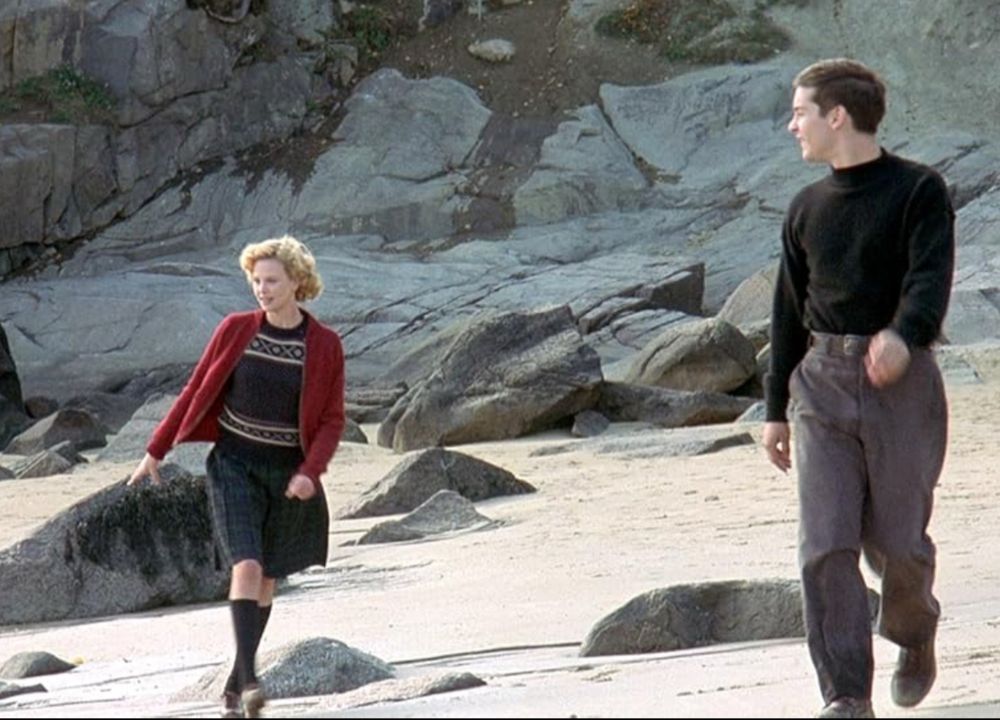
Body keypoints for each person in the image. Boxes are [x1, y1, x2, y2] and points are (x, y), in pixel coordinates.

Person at [762, 59, 954, 719]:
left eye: (800, 112)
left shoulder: (919, 190)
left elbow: (930, 278)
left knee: (897, 546)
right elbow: (787, 311)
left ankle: (914, 629)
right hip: (821, 385)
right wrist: (774, 411)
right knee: (825, 545)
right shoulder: (805, 208)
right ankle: (846, 695)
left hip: (902, 385)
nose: (792, 126)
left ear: (836, 116)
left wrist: (903, 335)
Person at [128, 235, 346, 719]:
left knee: (267, 580)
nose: (261, 289)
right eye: (255, 280)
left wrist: (312, 472)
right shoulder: (235, 330)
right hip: (232, 466)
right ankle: (250, 681)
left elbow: (332, 419)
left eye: (271, 281)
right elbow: (196, 388)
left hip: (288, 474)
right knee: (246, 566)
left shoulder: (325, 345)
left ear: (297, 283)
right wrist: (156, 450)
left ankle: (233, 685)